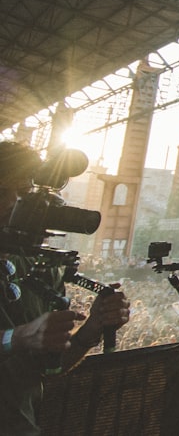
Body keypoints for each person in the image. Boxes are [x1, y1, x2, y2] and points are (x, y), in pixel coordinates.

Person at [0, 141, 131, 435]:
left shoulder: (38, 268)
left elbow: (48, 370)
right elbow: (20, 340)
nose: (11, 205)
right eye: (1, 192)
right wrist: (17, 338)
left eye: (22, 194)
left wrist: (89, 332)